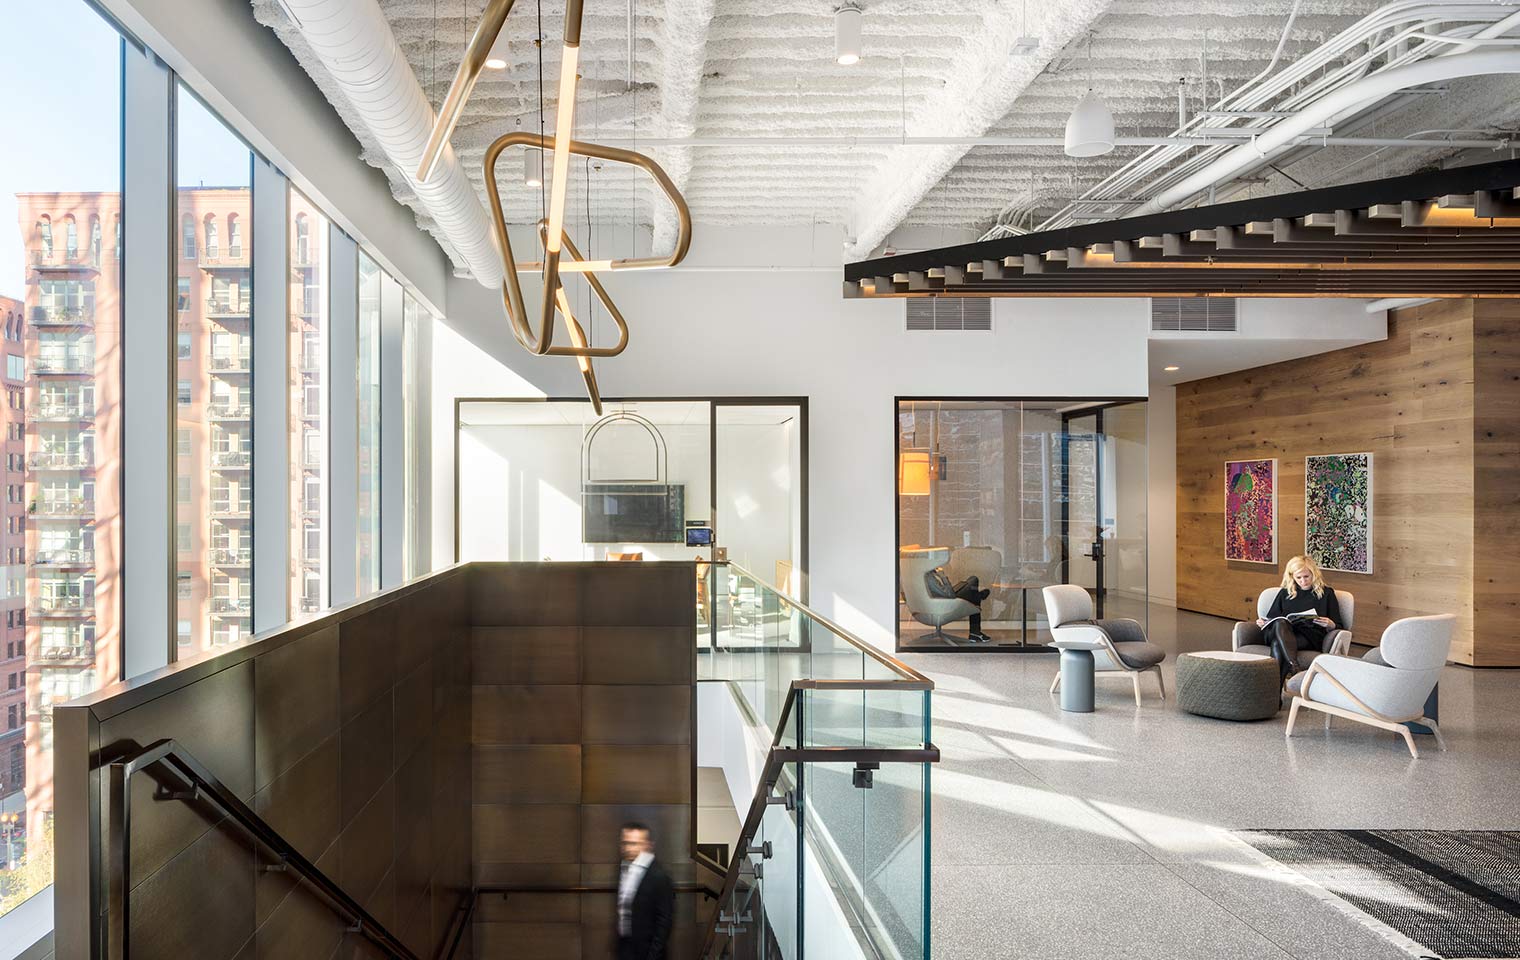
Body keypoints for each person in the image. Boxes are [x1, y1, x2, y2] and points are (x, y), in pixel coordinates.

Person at [1257, 555, 1342, 685]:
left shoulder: (1327, 593)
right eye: (1298, 577)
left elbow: (1339, 624)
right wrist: (1263, 622)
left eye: (1306, 576)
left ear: (1314, 574)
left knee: (1277, 645)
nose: (1303, 581)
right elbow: (1272, 619)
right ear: (1292, 577)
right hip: (1282, 631)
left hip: (1308, 636)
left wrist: (1330, 624)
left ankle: (1275, 692)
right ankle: (1293, 664)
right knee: (1280, 623)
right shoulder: (1285, 592)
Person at [616, 821, 674, 960]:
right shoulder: (623, 868)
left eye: (634, 843)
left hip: (647, 953)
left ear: (647, 845)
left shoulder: (659, 876)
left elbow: (664, 923)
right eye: (625, 843)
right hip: (626, 949)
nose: (628, 848)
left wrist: (653, 956)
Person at [926, 565, 992, 642]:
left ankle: (975, 633)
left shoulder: (917, 574)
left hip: (938, 602)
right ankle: (975, 632)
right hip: (946, 604)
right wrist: (943, 577)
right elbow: (950, 595)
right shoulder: (929, 577)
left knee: (972, 584)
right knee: (974, 580)